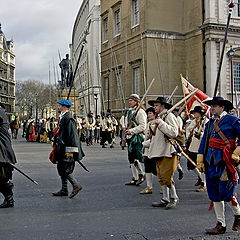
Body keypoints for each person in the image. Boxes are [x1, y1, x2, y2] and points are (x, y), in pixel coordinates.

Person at [197, 96, 240, 234]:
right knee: (214, 193)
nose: (212, 108)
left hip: (225, 162)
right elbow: (204, 142)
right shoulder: (210, 123)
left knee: (227, 193)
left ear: (222, 107)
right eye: (212, 105)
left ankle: (238, 214)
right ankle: (220, 224)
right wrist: (200, 158)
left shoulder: (232, 120)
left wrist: (237, 153)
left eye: (215, 105)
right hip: (211, 161)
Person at [148, 97, 179, 209]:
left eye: (157, 105)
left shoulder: (169, 116)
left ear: (163, 106)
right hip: (158, 151)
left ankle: (174, 197)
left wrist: (161, 123)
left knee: (167, 177)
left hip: (167, 151)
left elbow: (174, 132)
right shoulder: (159, 117)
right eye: (155, 105)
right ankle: (165, 198)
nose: (155, 107)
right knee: (161, 177)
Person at [52, 99, 84, 199]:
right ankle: (64, 189)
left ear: (64, 107)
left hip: (67, 149)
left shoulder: (68, 118)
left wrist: (70, 151)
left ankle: (76, 185)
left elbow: (72, 136)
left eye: (59, 105)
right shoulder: (63, 117)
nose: (58, 107)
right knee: (61, 167)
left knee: (65, 168)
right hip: (61, 147)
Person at [125, 94, 147, 186]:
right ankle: (135, 177)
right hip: (130, 136)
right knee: (131, 158)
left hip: (137, 137)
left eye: (131, 100)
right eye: (129, 100)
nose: (129, 102)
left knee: (135, 157)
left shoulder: (140, 112)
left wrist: (131, 131)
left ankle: (141, 174)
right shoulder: (130, 112)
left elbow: (143, 126)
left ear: (136, 101)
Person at [186, 106, 207, 192]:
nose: (194, 114)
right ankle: (200, 177)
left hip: (200, 146)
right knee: (190, 164)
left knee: (201, 165)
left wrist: (200, 134)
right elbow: (188, 130)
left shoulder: (205, 121)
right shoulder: (194, 121)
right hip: (192, 146)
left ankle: (203, 183)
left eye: (196, 112)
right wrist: (190, 134)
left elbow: (206, 134)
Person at [0, 103, 17, 208]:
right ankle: (9, 199)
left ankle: (9, 199)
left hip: (2, 150)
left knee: (2, 177)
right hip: (2, 150)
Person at [140, 107, 157, 194]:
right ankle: (149, 186)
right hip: (147, 151)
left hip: (154, 150)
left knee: (157, 170)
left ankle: (165, 186)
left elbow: (155, 139)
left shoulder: (156, 124)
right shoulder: (148, 124)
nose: (149, 115)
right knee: (147, 169)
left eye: (151, 113)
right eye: (148, 113)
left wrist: (144, 143)